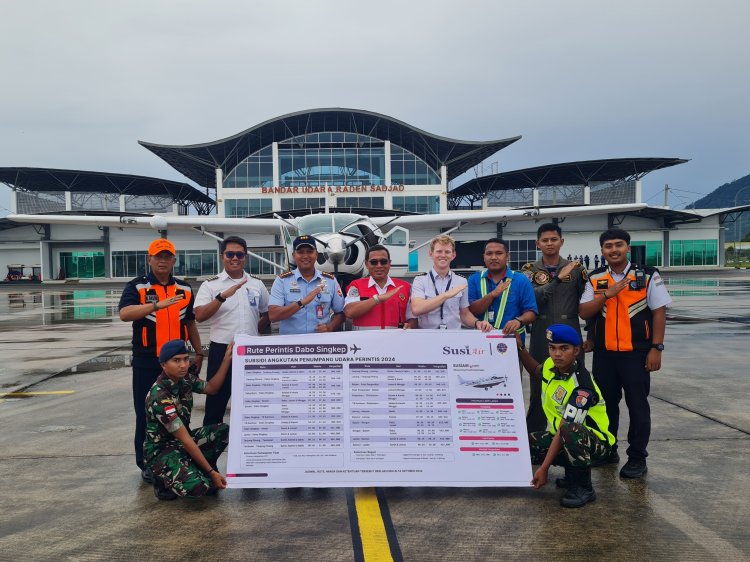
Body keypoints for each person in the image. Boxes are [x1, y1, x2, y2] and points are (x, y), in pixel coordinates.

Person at [579, 228, 671, 479]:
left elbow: (659, 313)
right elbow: (585, 312)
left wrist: (656, 348)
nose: (614, 250)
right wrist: (607, 294)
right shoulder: (595, 277)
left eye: (619, 245)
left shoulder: (648, 275)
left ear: (628, 248)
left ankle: (637, 456)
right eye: (608, 246)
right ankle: (608, 449)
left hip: (637, 354)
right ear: (602, 251)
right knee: (605, 406)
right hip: (605, 354)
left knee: (638, 406)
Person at [118, 238, 203, 484]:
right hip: (147, 361)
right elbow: (125, 314)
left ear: (174, 260)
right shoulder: (138, 286)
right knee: (146, 414)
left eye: (167, 256)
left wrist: (198, 352)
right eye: (158, 256)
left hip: (177, 364)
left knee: (179, 413)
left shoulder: (185, 289)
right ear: (150, 259)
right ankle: (146, 463)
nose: (163, 261)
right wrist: (155, 305)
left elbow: (190, 322)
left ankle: (178, 457)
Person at [516, 324, 615, 508]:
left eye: (564, 348)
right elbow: (536, 371)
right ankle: (571, 474)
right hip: (564, 437)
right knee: (527, 443)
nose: (557, 354)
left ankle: (583, 487)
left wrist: (544, 469)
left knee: (571, 430)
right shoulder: (551, 366)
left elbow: (565, 428)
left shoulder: (582, 387)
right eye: (552, 348)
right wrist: (520, 347)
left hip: (596, 445)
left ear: (576, 351)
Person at [194, 236, 269, 425]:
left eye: (239, 254)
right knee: (215, 406)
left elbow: (268, 313)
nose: (235, 258)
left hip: (251, 352)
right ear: (222, 256)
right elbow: (200, 315)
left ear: (245, 257)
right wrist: (221, 297)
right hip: (221, 351)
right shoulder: (211, 285)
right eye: (230, 254)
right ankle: (208, 453)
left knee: (254, 406)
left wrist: (253, 332)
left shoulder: (256, 284)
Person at [144, 339, 232, 500]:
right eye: (176, 360)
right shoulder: (159, 397)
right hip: (162, 452)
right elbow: (186, 440)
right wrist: (211, 473)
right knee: (200, 488)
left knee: (222, 431)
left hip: (180, 444)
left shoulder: (185, 380)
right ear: (163, 364)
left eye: (186, 359)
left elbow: (212, 388)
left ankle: (197, 468)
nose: (183, 365)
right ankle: (161, 478)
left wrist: (227, 359)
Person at [521, 224, 587, 433]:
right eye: (545, 240)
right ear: (537, 243)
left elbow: (587, 303)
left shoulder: (577, 269)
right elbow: (533, 298)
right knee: (539, 384)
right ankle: (535, 439)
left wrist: (592, 335)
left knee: (576, 385)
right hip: (542, 330)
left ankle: (575, 439)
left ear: (561, 241)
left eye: (554, 239)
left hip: (570, 328)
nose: (549, 243)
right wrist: (557, 279)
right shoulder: (529, 271)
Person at [411, 234, 492, 332]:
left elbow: (464, 314)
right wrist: (446, 295)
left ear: (453, 255)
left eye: (447, 252)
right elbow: (416, 309)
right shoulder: (420, 280)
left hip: (453, 339)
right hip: (427, 337)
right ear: (431, 254)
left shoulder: (461, 281)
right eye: (439, 251)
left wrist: (477, 323)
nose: (443, 255)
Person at [268, 235, 345, 334]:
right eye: (300, 252)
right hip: (290, 345)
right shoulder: (282, 281)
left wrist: (330, 327)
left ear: (316, 254)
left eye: (310, 251)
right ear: (293, 255)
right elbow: (273, 315)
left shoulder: (330, 281)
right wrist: (301, 303)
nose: (305, 256)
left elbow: (342, 313)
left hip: (320, 344)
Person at [467, 238, 537, 336]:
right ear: (484, 257)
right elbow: (471, 310)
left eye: (499, 253)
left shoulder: (521, 280)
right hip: (481, 340)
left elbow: (531, 312)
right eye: (489, 254)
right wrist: (492, 295)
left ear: (507, 256)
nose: (493, 257)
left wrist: (518, 321)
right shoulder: (474, 279)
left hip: (512, 340)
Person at [344, 244, 417, 329]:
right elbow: (349, 312)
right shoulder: (356, 285)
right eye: (374, 262)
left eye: (383, 261)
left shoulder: (405, 287)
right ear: (366, 264)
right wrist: (377, 299)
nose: (379, 265)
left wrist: (411, 325)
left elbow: (413, 318)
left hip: (395, 340)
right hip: (363, 341)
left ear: (389, 263)